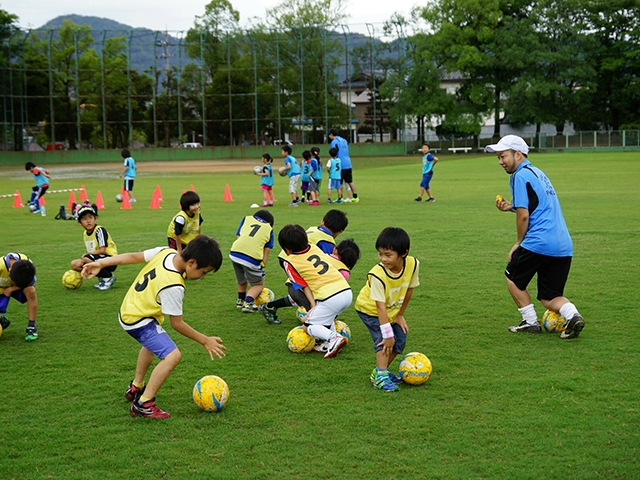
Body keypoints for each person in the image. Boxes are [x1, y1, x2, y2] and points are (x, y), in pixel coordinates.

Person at [81, 235, 226, 419]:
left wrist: (101, 263)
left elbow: (134, 256)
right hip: (138, 319)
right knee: (172, 356)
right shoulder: (174, 285)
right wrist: (205, 340)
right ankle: (144, 403)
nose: (202, 277)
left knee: (151, 345)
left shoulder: (166, 252)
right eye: (204, 272)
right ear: (191, 262)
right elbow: (177, 323)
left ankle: (136, 386)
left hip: (130, 309)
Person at [488, 135, 584, 339]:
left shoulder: (519, 176)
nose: (500, 162)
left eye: (503, 156)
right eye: (498, 157)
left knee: (512, 276)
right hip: (563, 244)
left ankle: (530, 322)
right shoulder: (539, 173)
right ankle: (573, 316)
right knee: (550, 297)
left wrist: (519, 243)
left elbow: (524, 216)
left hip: (539, 241)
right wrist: (510, 207)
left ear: (518, 154)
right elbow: (536, 207)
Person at [355, 227, 420, 392]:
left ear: (403, 253)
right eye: (380, 253)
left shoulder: (412, 264)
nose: (383, 259)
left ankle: (379, 371)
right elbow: (379, 306)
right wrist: (387, 334)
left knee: (401, 337)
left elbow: (409, 290)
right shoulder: (377, 275)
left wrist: (399, 315)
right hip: (369, 310)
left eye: (388, 255)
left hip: (390, 311)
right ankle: (382, 376)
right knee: (383, 340)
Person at [274, 224, 352, 358]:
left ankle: (334, 338)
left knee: (308, 327)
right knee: (326, 320)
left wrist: (312, 305)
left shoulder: (290, 262)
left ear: (286, 249)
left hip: (330, 297)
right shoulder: (315, 248)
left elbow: (303, 286)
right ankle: (329, 343)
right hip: (346, 291)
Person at [260, 237, 360, 328]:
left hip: (295, 284)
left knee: (306, 301)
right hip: (306, 288)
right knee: (317, 314)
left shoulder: (323, 255)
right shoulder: (344, 271)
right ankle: (319, 337)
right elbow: (334, 296)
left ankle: (271, 306)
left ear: (335, 249)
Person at [229, 209, 275, 313]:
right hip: (252, 258)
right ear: (270, 223)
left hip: (235, 253)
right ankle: (248, 302)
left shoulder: (246, 219)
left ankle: (240, 300)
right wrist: (262, 265)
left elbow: (239, 236)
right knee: (258, 284)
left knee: (241, 279)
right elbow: (266, 251)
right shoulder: (269, 229)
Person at [69, 205, 118, 291]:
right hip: (98, 258)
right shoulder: (85, 234)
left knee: (86, 259)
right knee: (74, 264)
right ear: (79, 223)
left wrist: (88, 255)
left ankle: (108, 277)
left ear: (95, 218)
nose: (88, 221)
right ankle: (103, 278)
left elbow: (102, 250)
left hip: (111, 259)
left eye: (90, 217)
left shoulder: (99, 230)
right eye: (84, 219)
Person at [0, 253, 39, 341]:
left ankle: (31, 327)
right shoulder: (0, 266)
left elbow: (30, 282)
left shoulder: (27, 267)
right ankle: (2, 320)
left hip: (16, 288)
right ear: (8, 271)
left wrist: (12, 288)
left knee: (30, 290)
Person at [329, 128, 359, 203]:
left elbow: (334, 152)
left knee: (340, 182)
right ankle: (355, 197)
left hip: (340, 163)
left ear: (332, 134)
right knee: (350, 181)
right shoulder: (344, 140)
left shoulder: (334, 142)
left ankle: (340, 198)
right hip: (348, 162)